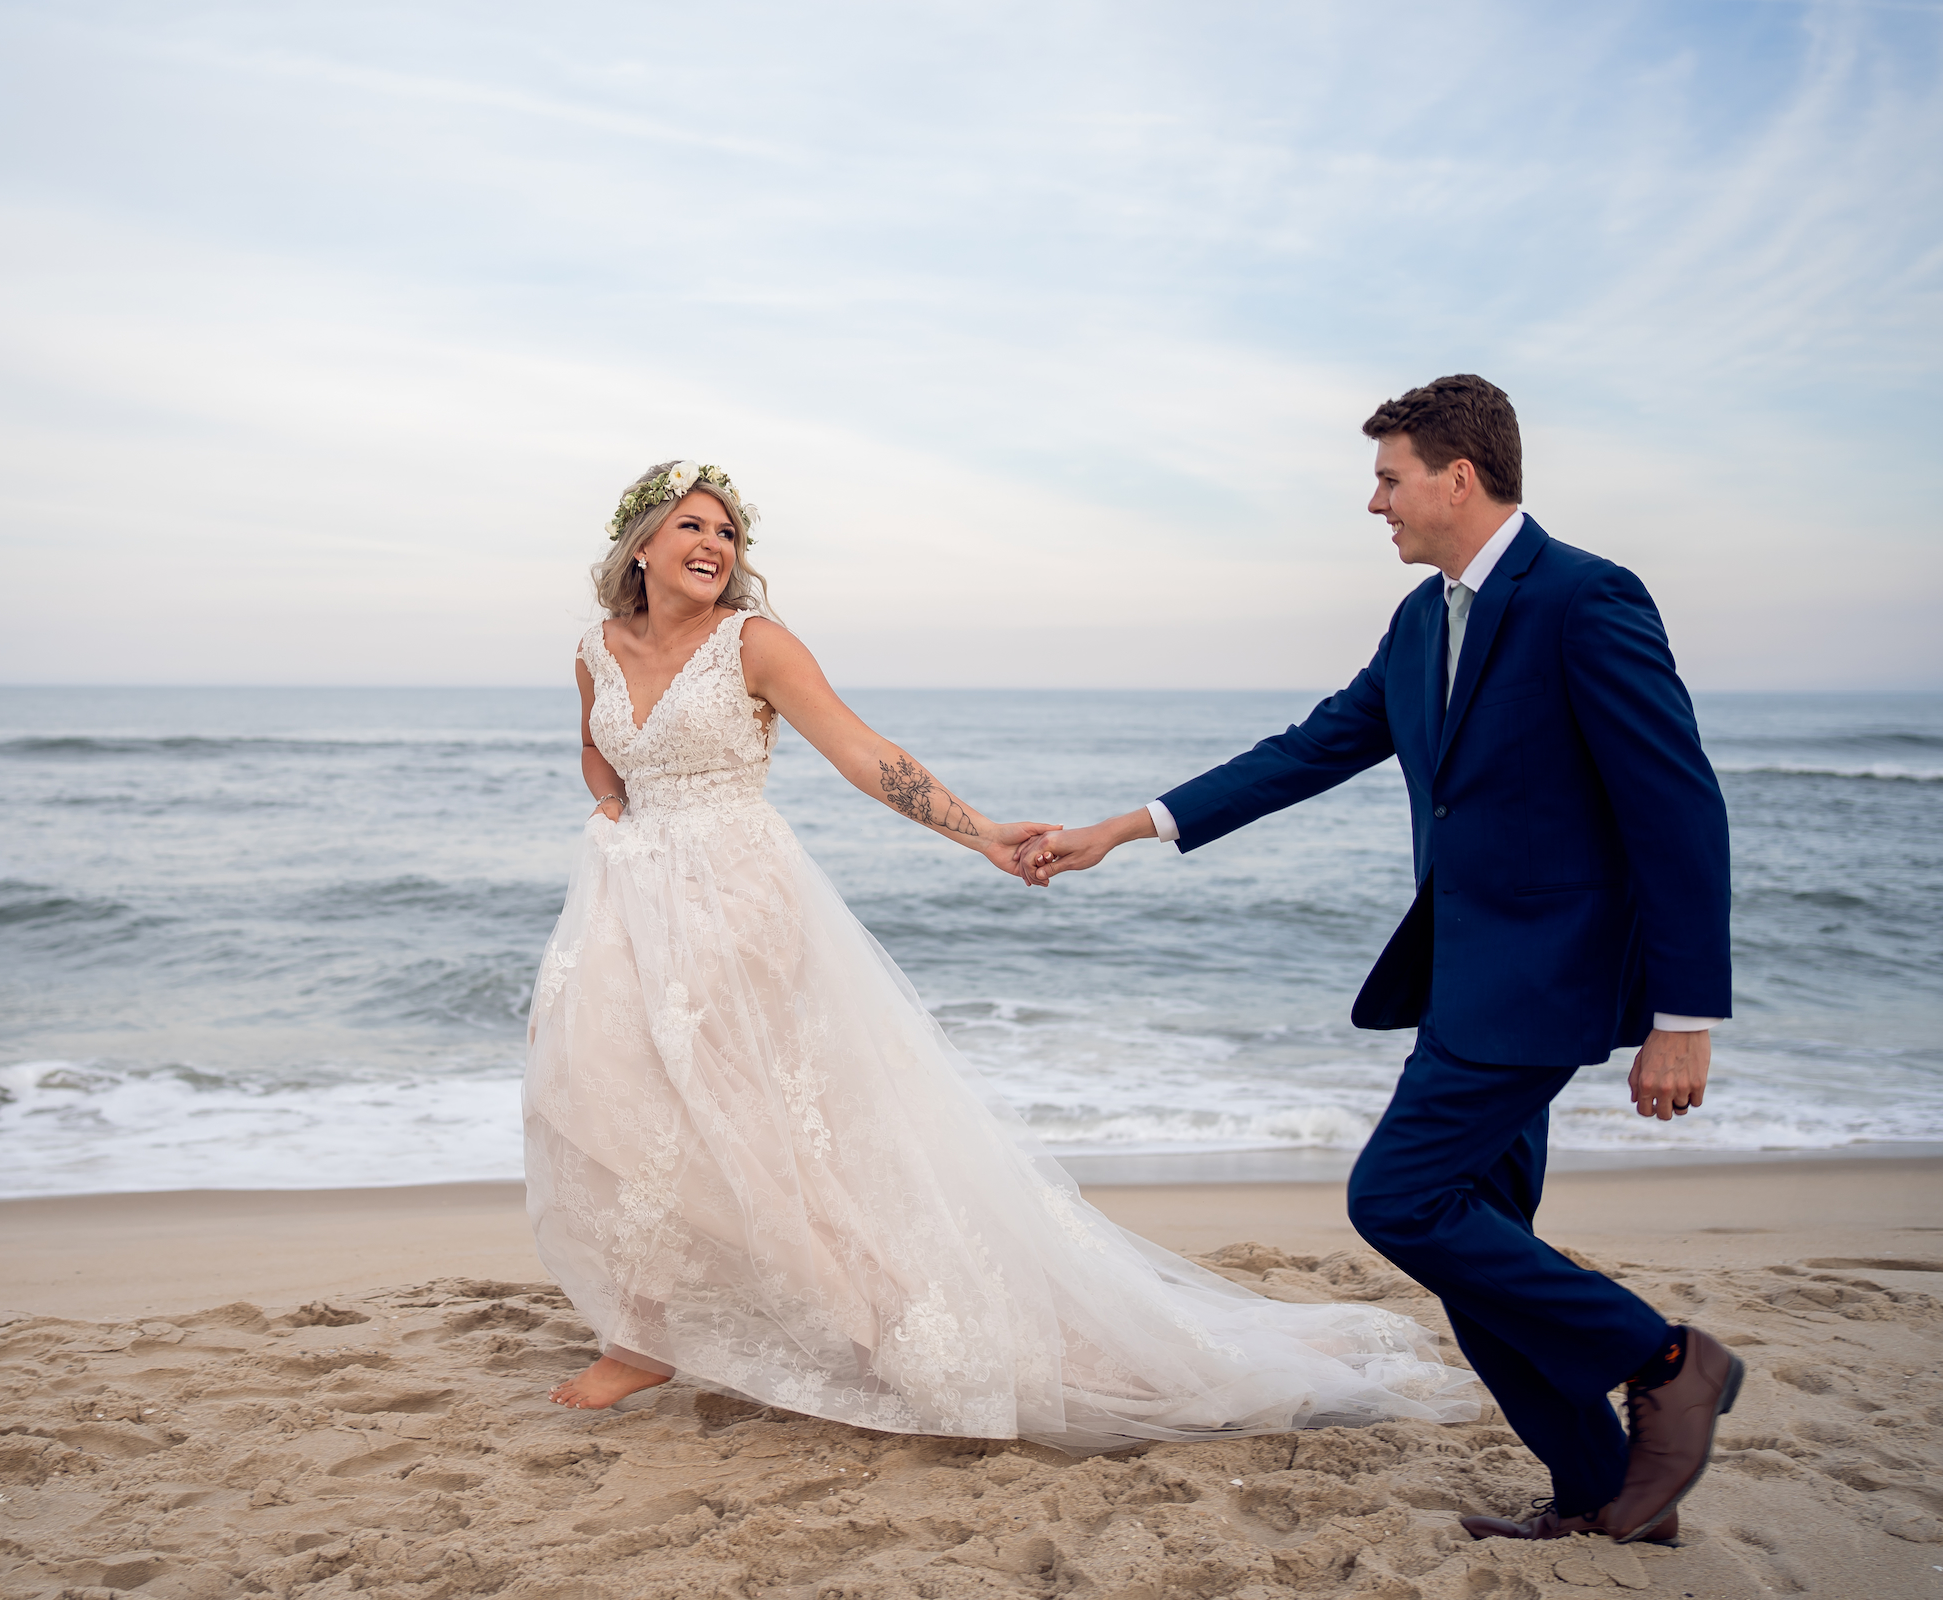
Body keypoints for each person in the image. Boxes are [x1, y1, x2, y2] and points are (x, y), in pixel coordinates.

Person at [522, 458, 1478, 1457]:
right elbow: (602, 746)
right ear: (641, 546)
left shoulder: (754, 645)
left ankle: (832, 1320)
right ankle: (645, 1328)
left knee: (745, 1120)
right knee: (617, 1106)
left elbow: (865, 754)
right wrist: (613, 804)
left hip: (740, 898)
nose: (716, 544)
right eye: (693, 527)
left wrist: (977, 833)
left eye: (728, 532)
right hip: (627, 900)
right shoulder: (595, 649)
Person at [1017, 376, 1743, 1539]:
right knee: (1477, 1254)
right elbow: (1311, 749)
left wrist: (1685, 1012)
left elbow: (1678, 807)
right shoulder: (1422, 622)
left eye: (1388, 476)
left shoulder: (1586, 597)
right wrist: (1130, 825)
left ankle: (1667, 1359)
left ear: (1460, 476)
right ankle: (1608, 1493)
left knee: (1396, 1198)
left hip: (1546, 980)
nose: (1374, 503)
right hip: (1464, 977)